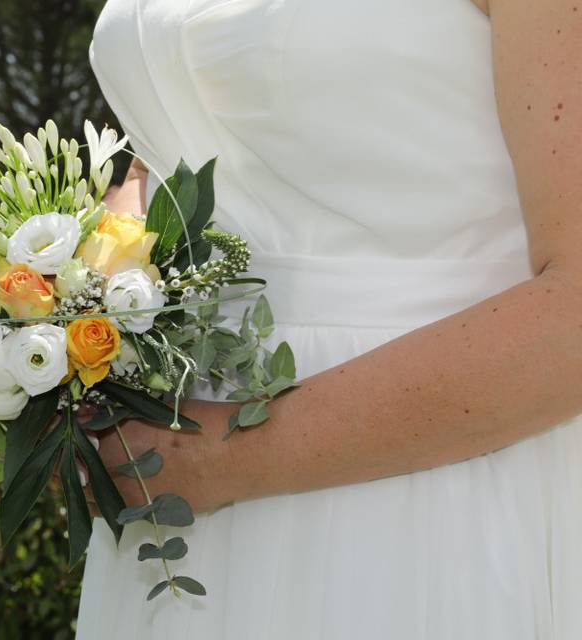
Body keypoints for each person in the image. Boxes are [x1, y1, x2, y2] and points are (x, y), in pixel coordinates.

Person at [77, 0, 582, 637]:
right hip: (165, 493)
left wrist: (218, 458)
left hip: (426, 487)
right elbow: (157, 156)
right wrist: (76, 302)